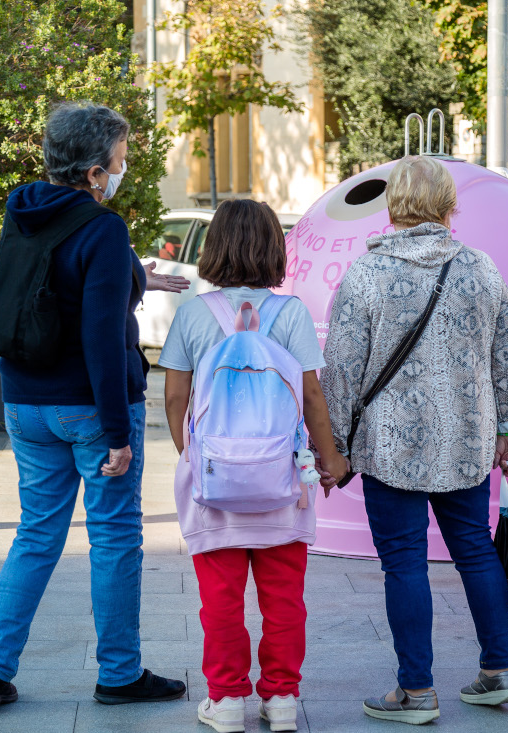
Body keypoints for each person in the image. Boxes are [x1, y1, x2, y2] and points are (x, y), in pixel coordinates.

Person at [0, 102, 189, 708]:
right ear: (95, 171)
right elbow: (98, 332)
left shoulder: (23, 213)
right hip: (89, 410)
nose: (121, 170)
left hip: (24, 402)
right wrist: (120, 432)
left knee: (35, 536)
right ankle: (120, 675)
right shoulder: (101, 227)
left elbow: (49, 285)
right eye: (119, 161)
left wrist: (135, 276)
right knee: (115, 538)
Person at [320, 156, 508, 725]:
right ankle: (498, 671)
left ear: (392, 206)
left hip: (392, 447)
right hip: (466, 440)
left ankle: (415, 692)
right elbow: (507, 354)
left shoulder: (367, 275)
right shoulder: (480, 269)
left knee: (403, 563)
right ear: (448, 205)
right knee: (476, 550)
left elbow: (341, 369)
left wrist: (333, 448)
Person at [160, 199, 349, 733]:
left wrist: (195, 459)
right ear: (274, 249)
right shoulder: (291, 314)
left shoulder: (194, 313)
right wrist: (329, 459)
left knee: (219, 600)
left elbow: (175, 397)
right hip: (282, 479)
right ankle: (282, 698)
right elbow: (312, 395)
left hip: (214, 484)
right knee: (284, 597)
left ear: (215, 247)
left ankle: (225, 703)